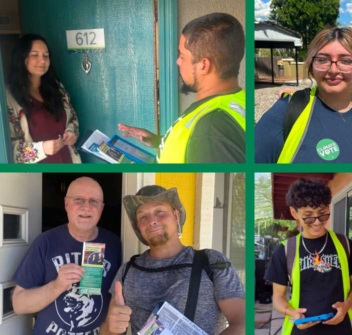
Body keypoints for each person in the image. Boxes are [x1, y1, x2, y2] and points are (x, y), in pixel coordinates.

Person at [101, 185, 245, 334]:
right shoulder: (127, 271)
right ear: (139, 227)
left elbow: (242, 323)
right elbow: (107, 331)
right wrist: (112, 328)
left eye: (159, 211)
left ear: (176, 216)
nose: (151, 221)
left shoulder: (211, 262)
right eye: (143, 216)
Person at [117, 12, 245, 163]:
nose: (178, 62)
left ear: (204, 65)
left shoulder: (210, 131)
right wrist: (160, 141)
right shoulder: (238, 100)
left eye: (183, 56)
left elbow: (209, 144)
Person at [255, 27, 352, 163]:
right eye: (323, 60)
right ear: (311, 67)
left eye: (346, 61)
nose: (333, 70)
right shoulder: (284, 112)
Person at [12, 176, 122, 334]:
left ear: (101, 208)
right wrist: (57, 286)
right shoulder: (45, 242)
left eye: (94, 201)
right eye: (79, 199)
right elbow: (19, 304)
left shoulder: (114, 244)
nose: (86, 207)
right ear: (66, 204)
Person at [265, 179, 352, 335]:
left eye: (323, 214)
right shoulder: (285, 251)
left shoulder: (345, 244)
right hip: (301, 330)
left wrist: (346, 305)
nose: (317, 222)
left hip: (342, 329)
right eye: (308, 216)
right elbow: (278, 297)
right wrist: (292, 313)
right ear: (294, 213)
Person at [6, 33, 81, 163]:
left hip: (68, 163)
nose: (42, 61)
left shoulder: (57, 88)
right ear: (21, 58)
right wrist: (41, 149)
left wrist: (71, 132)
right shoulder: (8, 96)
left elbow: (73, 118)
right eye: (35, 55)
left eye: (46, 56)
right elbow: (8, 149)